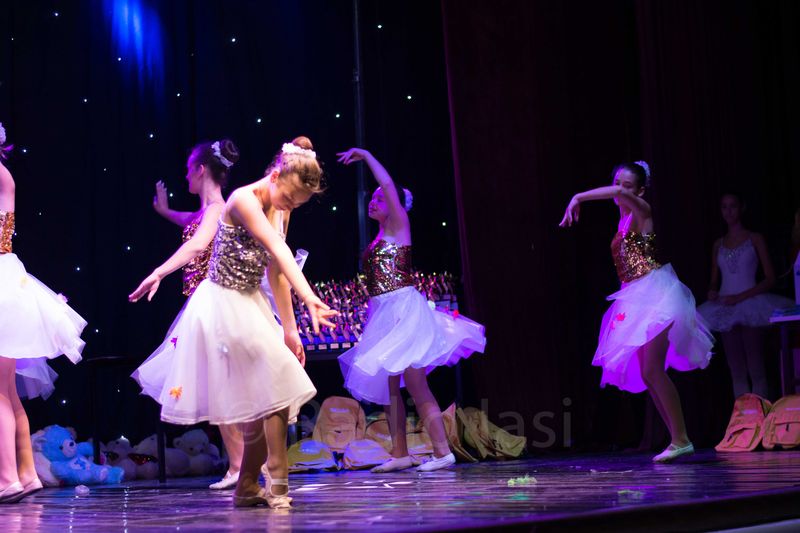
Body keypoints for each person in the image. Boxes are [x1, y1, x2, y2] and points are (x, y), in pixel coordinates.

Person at [131, 137, 336, 508]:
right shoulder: (243, 199)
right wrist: (309, 297)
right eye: (289, 198)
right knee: (275, 386)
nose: (290, 206)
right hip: (221, 305)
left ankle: (246, 486)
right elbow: (276, 249)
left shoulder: (281, 206)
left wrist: (291, 330)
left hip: (251, 304)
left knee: (264, 399)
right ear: (275, 176)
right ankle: (277, 481)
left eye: (297, 204)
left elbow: (276, 272)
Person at [337, 148, 486, 473]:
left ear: (395, 205)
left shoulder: (399, 226)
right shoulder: (381, 235)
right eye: (372, 198)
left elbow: (388, 184)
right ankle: (400, 453)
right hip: (385, 313)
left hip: (404, 311)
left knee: (416, 384)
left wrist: (366, 155)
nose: (374, 201)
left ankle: (442, 452)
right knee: (391, 389)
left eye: (380, 198)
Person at [559, 161, 714, 462]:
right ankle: (678, 439)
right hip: (635, 296)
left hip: (656, 295)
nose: (620, 190)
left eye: (628, 186)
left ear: (640, 191)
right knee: (647, 372)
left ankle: (681, 438)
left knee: (653, 369)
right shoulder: (623, 220)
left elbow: (619, 195)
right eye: (618, 183)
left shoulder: (643, 211)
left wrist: (578, 197)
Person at [0, 123, 86, 502]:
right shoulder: (5, 174)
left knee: (0, 392)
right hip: (9, 277)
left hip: (3, 279)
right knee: (7, 391)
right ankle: (26, 473)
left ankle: (8, 479)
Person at [698, 192, 792, 399]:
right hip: (724, 305)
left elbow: (770, 278)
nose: (728, 211)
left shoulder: (754, 238)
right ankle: (744, 417)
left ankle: (763, 415)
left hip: (750, 303)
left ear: (742, 208)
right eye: (724, 206)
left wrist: (740, 298)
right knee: (736, 369)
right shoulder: (718, 244)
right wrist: (712, 290)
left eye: (733, 206)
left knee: (756, 366)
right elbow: (714, 279)